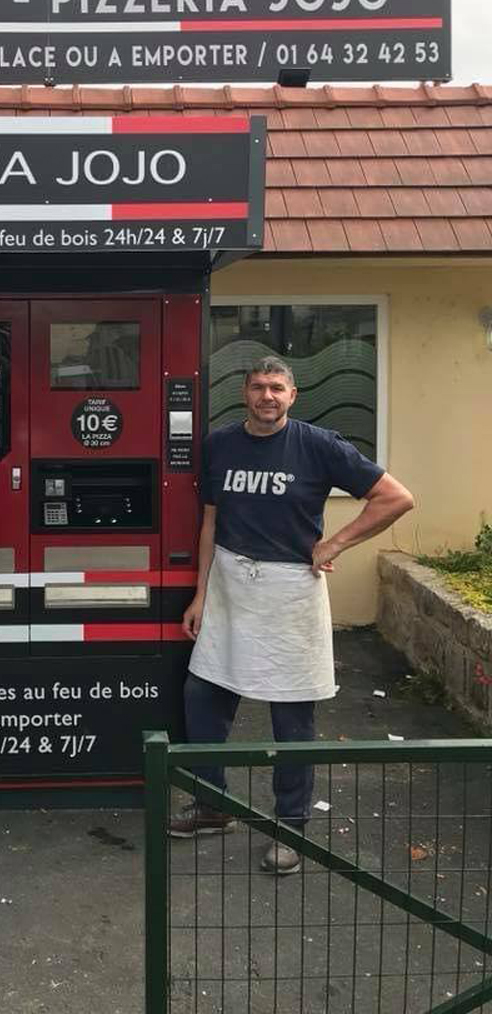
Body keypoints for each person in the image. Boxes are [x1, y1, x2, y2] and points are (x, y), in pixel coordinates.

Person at [169, 355, 413, 874]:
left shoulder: (318, 445)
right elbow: (210, 523)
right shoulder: (220, 446)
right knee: (202, 697)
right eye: (258, 386)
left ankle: (291, 826)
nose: (267, 396)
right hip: (231, 585)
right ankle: (213, 805)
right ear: (245, 394)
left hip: (291, 592)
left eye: (276, 387)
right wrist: (200, 595)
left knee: (292, 719)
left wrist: (337, 543)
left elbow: (395, 498)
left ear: (293, 395)